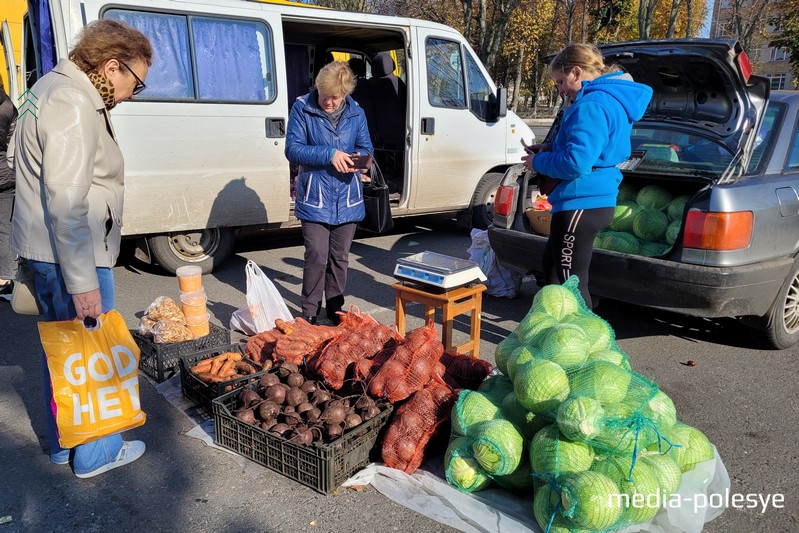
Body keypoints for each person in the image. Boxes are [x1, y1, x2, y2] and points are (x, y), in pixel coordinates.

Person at [8, 19, 153, 478]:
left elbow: (16, 161)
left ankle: (63, 443)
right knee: (94, 359)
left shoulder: (49, 87)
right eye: (137, 82)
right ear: (113, 67)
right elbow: (68, 205)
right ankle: (97, 454)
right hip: (73, 254)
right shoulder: (74, 103)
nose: (134, 93)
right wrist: (85, 283)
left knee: (66, 355)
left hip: (44, 250)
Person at [522, 43, 652, 308]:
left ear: (577, 72)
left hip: (582, 201)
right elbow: (591, 150)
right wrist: (549, 149)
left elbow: (576, 163)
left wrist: (539, 162)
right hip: (587, 199)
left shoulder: (591, 104)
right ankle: (560, 337)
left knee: (569, 283)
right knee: (554, 272)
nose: (560, 89)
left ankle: (585, 344)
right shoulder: (607, 99)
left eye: (560, 81)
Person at [285, 60, 373, 325]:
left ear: (345, 94)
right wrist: (329, 154)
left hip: (348, 198)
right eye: (324, 95)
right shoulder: (302, 108)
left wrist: (360, 158)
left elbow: (367, 149)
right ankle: (310, 310)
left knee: (340, 258)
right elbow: (292, 149)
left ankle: (335, 307)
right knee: (316, 256)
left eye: (334, 98)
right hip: (316, 197)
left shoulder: (357, 113)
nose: (328, 102)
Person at [0, 78, 18, 300]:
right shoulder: (8, 106)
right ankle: (5, 279)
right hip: (7, 174)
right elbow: (13, 140)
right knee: (5, 228)